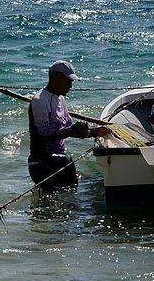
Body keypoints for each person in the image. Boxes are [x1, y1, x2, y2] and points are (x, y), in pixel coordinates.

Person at [28, 60, 111, 190]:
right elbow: (42, 135)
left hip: (57, 159)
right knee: (68, 163)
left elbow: (71, 128)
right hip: (41, 163)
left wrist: (95, 132)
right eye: (68, 82)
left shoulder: (60, 99)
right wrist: (71, 130)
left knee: (70, 191)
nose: (70, 86)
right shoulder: (40, 100)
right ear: (55, 78)